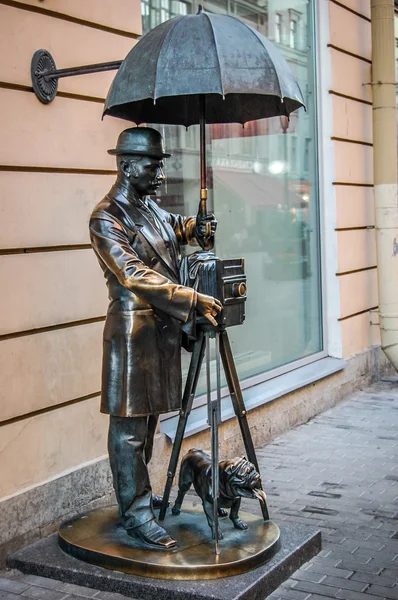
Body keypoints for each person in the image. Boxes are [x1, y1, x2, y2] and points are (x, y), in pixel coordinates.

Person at [89, 127, 222, 549]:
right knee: (129, 430)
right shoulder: (107, 216)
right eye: (152, 165)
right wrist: (191, 297)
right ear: (127, 166)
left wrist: (195, 227)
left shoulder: (150, 208)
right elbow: (133, 273)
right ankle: (136, 514)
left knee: (148, 425)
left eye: (161, 164)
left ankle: (139, 498)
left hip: (161, 331)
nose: (160, 173)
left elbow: (174, 230)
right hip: (133, 335)